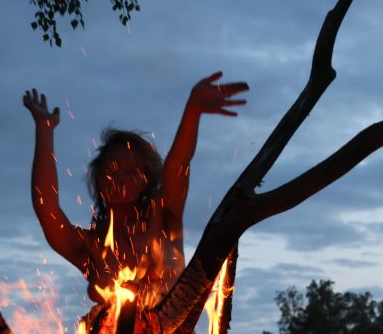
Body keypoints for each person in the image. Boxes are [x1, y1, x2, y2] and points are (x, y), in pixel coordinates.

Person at [23, 72, 248, 308]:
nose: (119, 178)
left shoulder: (163, 218)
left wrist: (193, 110)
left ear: (145, 181)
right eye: (111, 169)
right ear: (98, 178)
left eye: (131, 172)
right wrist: (45, 130)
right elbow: (46, 209)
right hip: (108, 333)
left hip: (170, 331)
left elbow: (178, 164)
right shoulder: (91, 245)